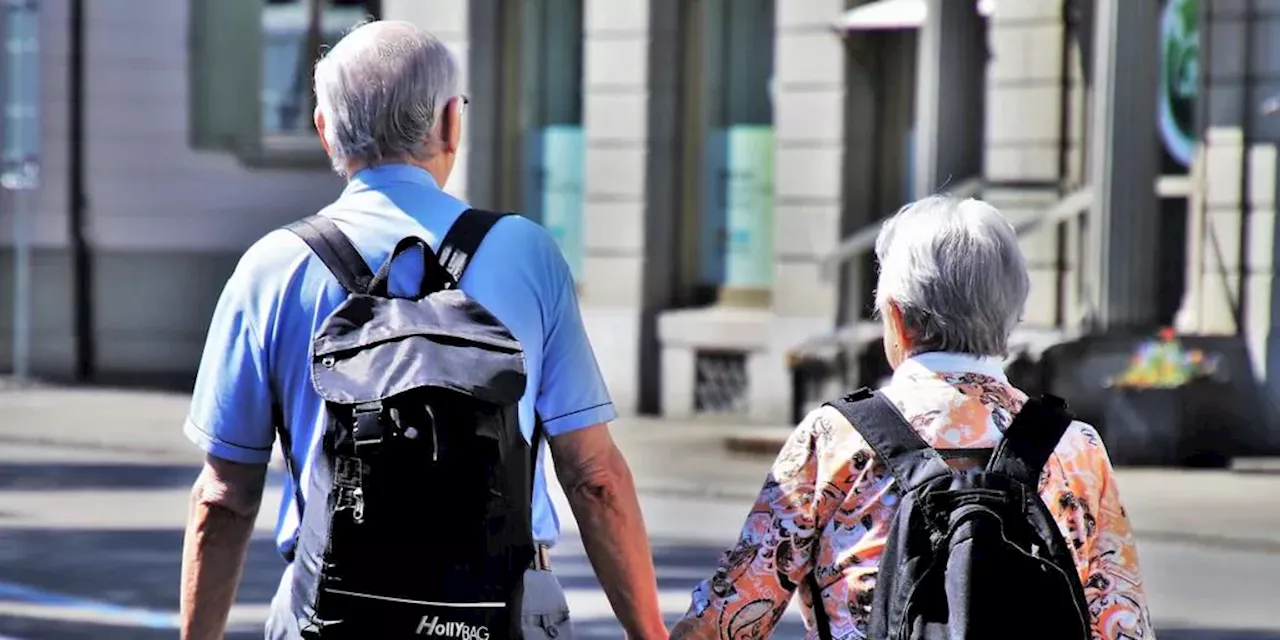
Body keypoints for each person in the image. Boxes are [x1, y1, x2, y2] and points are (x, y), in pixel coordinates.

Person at [178, 20, 667, 640]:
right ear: (449, 123)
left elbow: (224, 496)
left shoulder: (271, 268)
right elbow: (594, 477)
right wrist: (650, 633)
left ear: (325, 129)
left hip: (328, 611)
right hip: (502, 613)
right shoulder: (527, 254)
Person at [670, 195, 1156, 639]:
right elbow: (1122, 624)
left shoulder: (836, 439)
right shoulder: (1076, 448)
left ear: (898, 319)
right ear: (1011, 315)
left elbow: (727, 620)